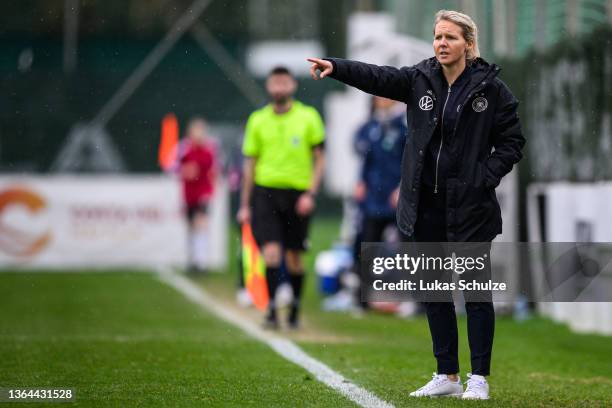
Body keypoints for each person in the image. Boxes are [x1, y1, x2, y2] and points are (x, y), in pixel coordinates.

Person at [308, 9, 525, 400]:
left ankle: (479, 378)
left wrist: (482, 178)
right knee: (435, 292)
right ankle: (447, 374)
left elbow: (512, 143)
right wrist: (336, 67)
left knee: (475, 293)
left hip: (471, 209)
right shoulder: (418, 79)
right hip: (424, 206)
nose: (441, 43)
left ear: (468, 44)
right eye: (438, 36)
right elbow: (376, 76)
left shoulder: (492, 90)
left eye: (450, 37)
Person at [237, 66, 325, 329]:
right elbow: (250, 165)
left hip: (298, 195)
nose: (280, 87)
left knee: (294, 257)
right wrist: (244, 204)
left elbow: (320, 159)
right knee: (271, 253)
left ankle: (295, 309)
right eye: (275, 82)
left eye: (284, 82)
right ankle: (274, 310)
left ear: (292, 86)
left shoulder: (308, 117)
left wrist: (310, 193)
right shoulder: (257, 120)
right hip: (266, 193)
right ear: (268, 86)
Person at [353, 96, 406, 309]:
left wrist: (403, 187)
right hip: (374, 199)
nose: (381, 100)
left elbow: (412, 160)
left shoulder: (405, 125)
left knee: (411, 248)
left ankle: (417, 301)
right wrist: (361, 182)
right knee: (367, 247)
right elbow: (366, 158)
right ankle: (362, 300)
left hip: (398, 198)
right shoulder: (370, 127)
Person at [179, 117, 216, 273]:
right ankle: (193, 260)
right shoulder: (184, 149)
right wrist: (185, 171)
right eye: (195, 130)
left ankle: (201, 262)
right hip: (189, 195)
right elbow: (173, 167)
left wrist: (209, 193)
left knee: (201, 225)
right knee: (191, 227)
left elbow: (213, 172)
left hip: (202, 194)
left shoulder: (209, 150)